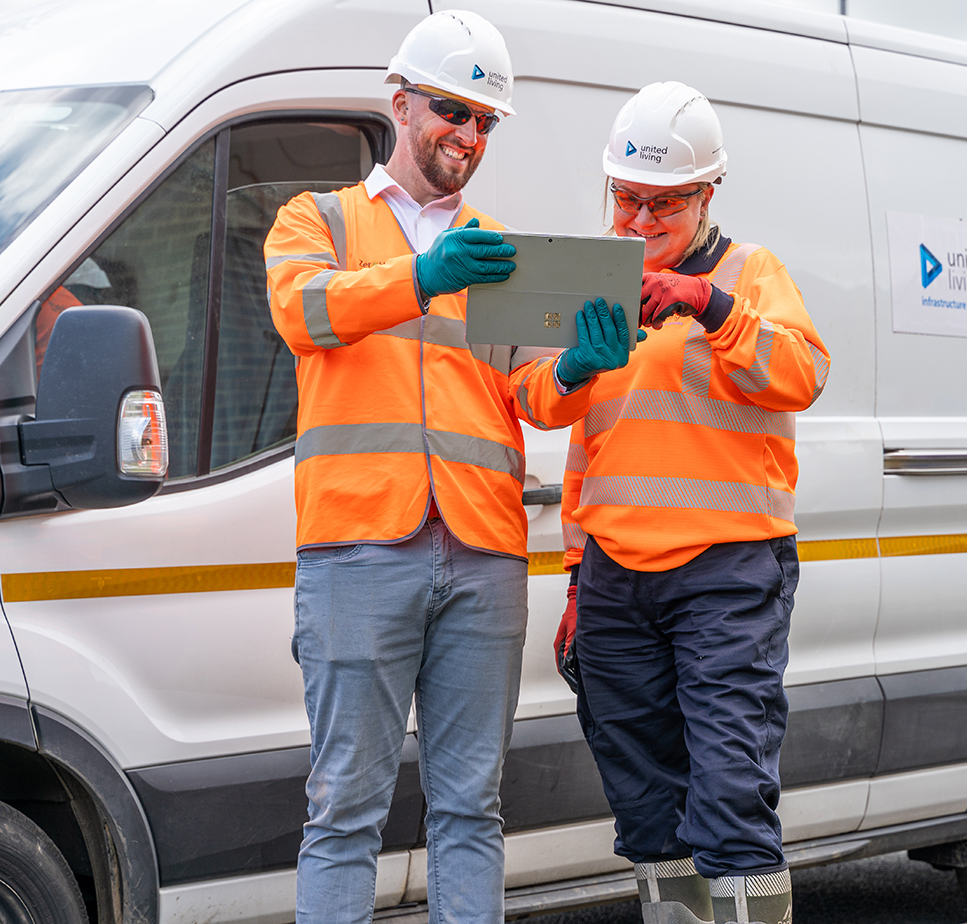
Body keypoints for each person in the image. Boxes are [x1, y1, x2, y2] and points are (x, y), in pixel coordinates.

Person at [264, 12, 634, 924]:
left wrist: (580, 369)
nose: (467, 136)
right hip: (358, 552)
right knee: (345, 811)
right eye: (451, 111)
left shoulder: (496, 247)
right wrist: (423, 275)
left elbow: (531, 393)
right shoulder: (319, 221)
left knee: (473, 809)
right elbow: (303, 312)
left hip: (481, 553)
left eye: (483, 122)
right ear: (401, 103)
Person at [553, 82, 831, 924]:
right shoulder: (595, 282)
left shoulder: (751, 276)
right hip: (614, 580)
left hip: (728, 573)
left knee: (730, 797)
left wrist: (707, 304)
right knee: (645, 810)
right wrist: (574, 576)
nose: (638, 222)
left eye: (662, 204)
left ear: (706, 194)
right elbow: (585, 442)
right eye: (626, 198)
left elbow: (804, 372)